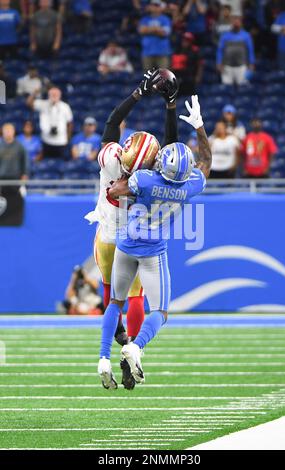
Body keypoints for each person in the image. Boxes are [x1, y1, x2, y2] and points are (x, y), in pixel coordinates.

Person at [98, 95, 211, 390]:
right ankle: (136, 347)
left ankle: (101, 358)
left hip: (125, 243)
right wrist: (199, 127)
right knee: (159, 311)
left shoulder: (144, 180)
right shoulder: (190, 186)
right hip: (152, 251)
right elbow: (207, 161)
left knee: (115, 301)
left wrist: (130, 169)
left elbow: (116, 190)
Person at [86, 68, 179, 389]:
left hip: (104, 239)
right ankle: (132, 352)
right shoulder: (150, 175)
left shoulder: (111, 159)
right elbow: (172, 144)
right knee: (136, 299)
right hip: (131, 240)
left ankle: (109, 349)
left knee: (111, 299)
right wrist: (170, 104)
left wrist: (138, 93)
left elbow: (113, 122)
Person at [27, 86, 73, 159]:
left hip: (61, 141)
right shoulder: (43, 104)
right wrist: (35, 93)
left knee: (60, 165)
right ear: (49, 95)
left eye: (56, 95)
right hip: (46, 140)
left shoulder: (65, 107)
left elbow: (70, 123)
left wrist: (68, 138)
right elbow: (29, 103)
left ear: (60, 96)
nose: (54, 96)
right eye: (52, 94)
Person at [216, 14, 255, 85]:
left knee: (243, 89)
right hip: (227, 67)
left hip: (242, 66)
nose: (236, 23)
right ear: (231, 23)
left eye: (238, 21)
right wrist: (219, 63)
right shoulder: (224, 36)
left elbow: (250, 50)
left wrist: (251, 63)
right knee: (226, 89)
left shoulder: (246, 36)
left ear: (241, 23)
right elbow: (220, 50)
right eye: (234, 21)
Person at [139, 0, 172, 71]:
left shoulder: (165, 19)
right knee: (148, 77)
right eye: (153, 5)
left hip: (162, 52)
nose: (154, 7)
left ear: (160, 8)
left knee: (164, 77)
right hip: (147, 52)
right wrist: (157, 29)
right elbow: (141, 30)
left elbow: (164, 33)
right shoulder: (145, 19)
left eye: (157, 6)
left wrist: (148, 30)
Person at [171, 31, 203, 95]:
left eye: (187, 40)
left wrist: (198, 76)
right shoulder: (177, 50)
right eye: (184, 40)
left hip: (189, 78)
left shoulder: (195, 51)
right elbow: (172, 65)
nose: (185, 42)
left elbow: (200, 64)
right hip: (178, 78)